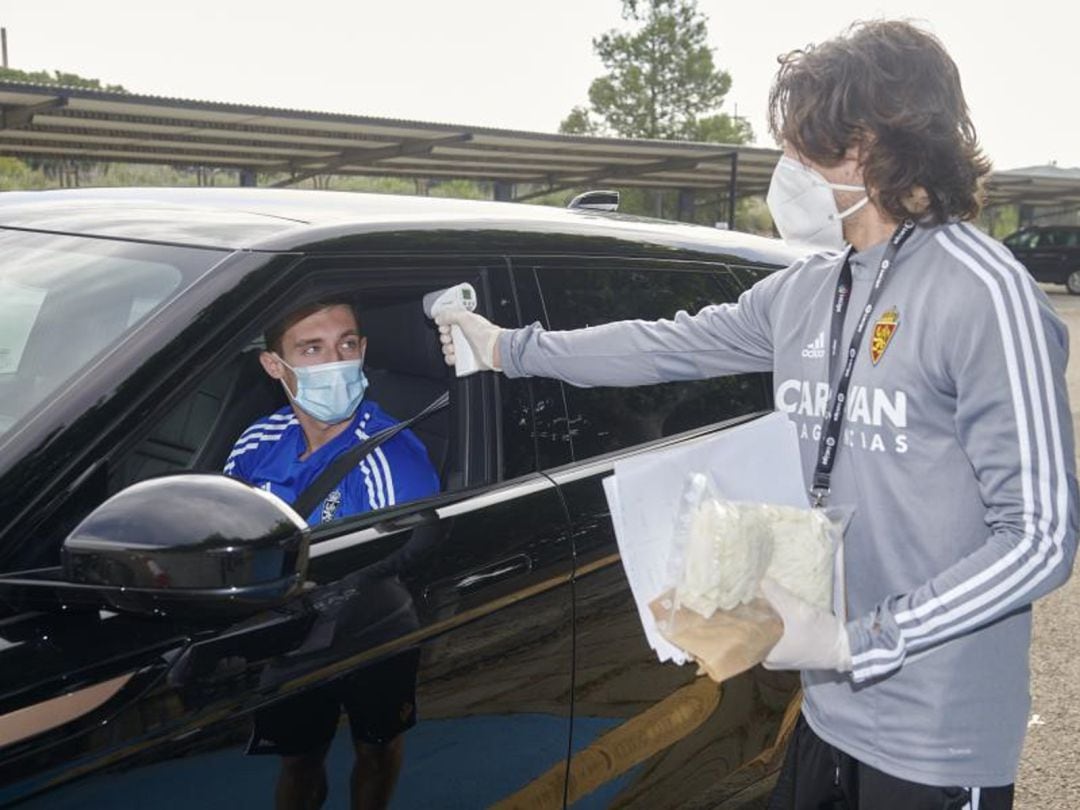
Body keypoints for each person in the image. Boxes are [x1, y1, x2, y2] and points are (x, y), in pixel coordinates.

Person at [434, 20, 1077, 810]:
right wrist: (509, 348)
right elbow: (664, 345)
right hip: (827, 711)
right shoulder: (809, 289)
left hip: (936, 740)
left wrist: (858, 639)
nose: (789, 168)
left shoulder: (984, 291)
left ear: (873, 144)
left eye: (806, 147)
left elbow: (1041, 539)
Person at [224, 299, 439, 810]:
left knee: (378, 746)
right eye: (312, 349)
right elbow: (225, 525)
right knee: (297, 758)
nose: (336, 362)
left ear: (363, 350)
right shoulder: (259, 440)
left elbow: (405, 557)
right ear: (275, 365)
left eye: (346, 344)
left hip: (372, 629)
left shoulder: (392, 458)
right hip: (289, 637)